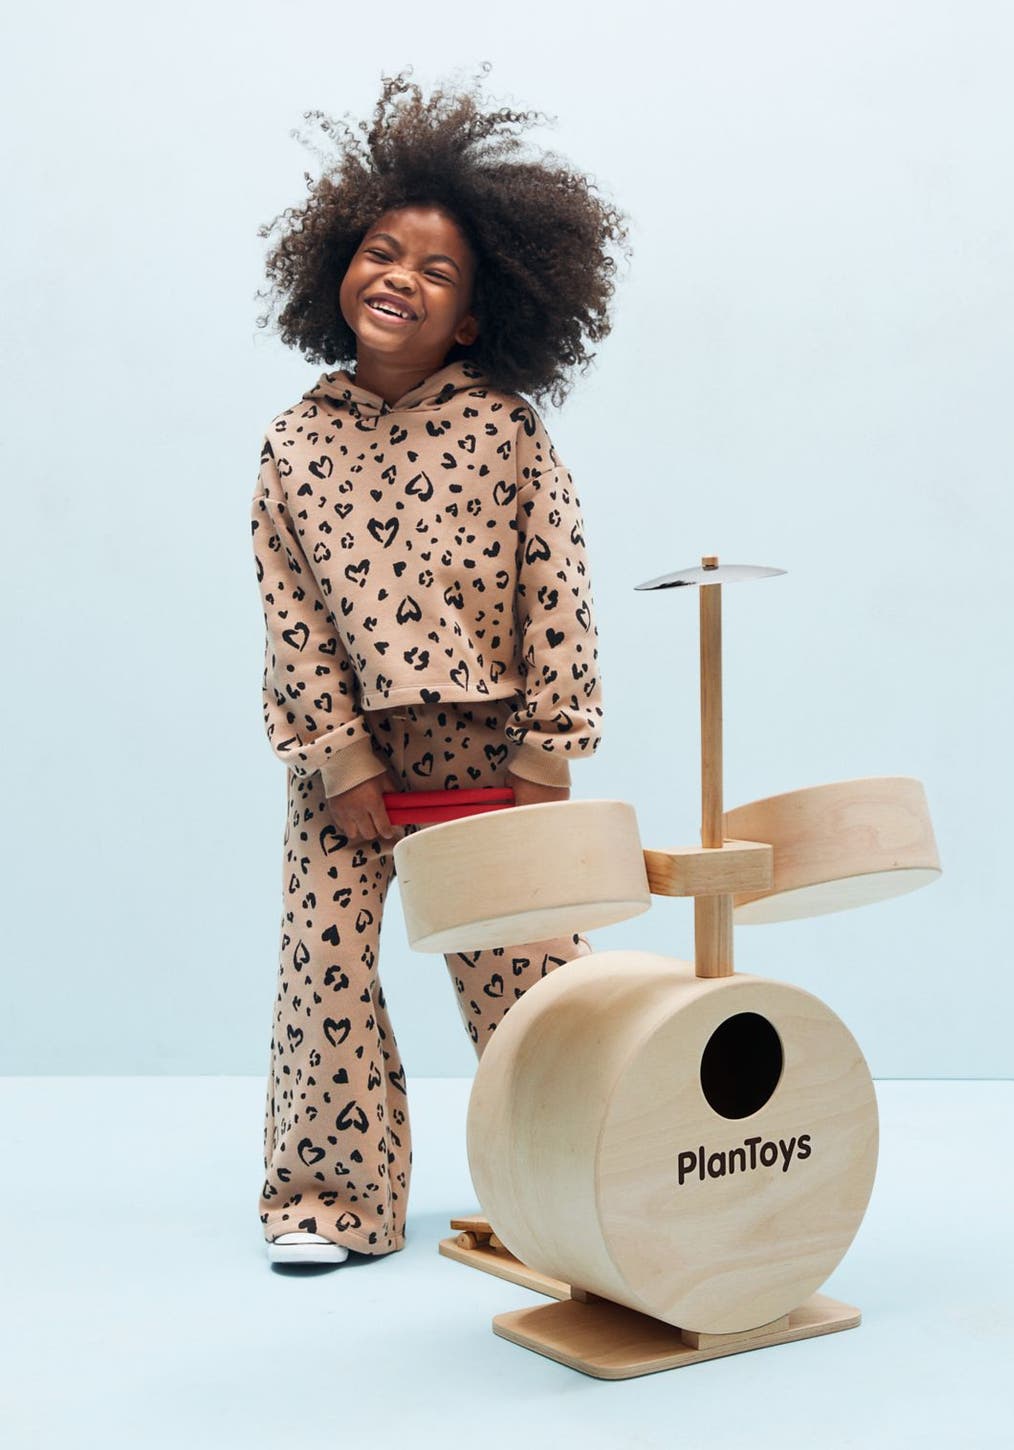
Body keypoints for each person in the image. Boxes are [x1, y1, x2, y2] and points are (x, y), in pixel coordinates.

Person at [250, 65, 630, 1265]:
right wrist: (337, 757)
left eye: (435, 269)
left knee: (526, 972)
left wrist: (548, 751)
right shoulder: (293, 443)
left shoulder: (506, 430)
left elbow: (556, 587)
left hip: (490, 750)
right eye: (379, 251)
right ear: (336, 269)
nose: (398, 276)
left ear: (471, 316)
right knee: (321, 970)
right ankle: (328, 1198)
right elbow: (291, 614)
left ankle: (574, 1186)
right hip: (345, 762)